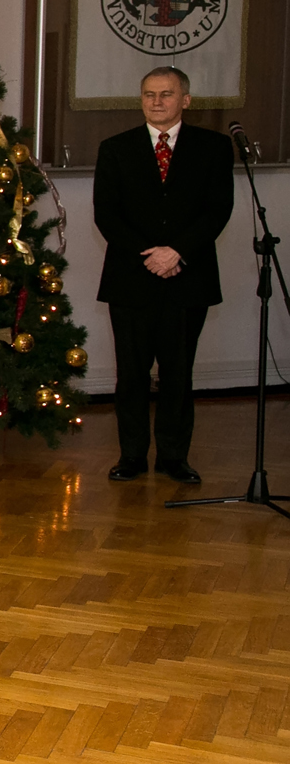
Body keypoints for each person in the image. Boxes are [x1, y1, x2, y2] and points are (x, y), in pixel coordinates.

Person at [95, 65, 234, 485]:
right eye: (149, 94)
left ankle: (174, 457)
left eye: (166, 94)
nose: (156, 101)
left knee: (178, 374)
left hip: (187, 278)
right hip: (131, 278)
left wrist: (176, 252)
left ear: (185, 100)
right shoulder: (115, 148)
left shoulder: (213, 147)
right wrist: (151, 256)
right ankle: (131, 456)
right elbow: (107, 214)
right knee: (131, 375)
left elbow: (218, 209)